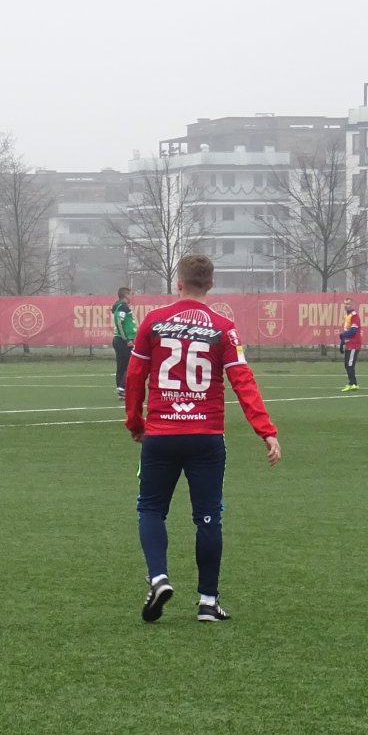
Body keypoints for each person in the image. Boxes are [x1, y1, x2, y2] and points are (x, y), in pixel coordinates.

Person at [124, 254, 280, 623]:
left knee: (151, 509)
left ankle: (159, 577)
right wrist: (266, 430)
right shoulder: (224, 328)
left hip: (161, 434)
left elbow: (134, 377)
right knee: (208, 517)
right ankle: (208, 602)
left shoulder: (153, 321)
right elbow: (243, 381)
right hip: (206, 436)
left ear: (178, 282)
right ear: (211, 284)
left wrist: (135, 423)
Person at [111, 288, 136, 399]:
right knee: (131, 364)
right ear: (126, 296)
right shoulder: (123, 307)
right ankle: (122, 388)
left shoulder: (119, 306)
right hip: (123, 340)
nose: (131, 297)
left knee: (122, 366)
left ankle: (121, 391)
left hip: (119, 339)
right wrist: (127, 339)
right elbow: (119, 322)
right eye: (130, 295)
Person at [338, 297, 362, 391]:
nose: (345, 305)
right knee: (347, 364)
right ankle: (352, 383)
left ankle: (353, 384)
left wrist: (343, 335)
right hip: (349, 343)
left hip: (354, 344)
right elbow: (347, 331)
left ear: (352, 305)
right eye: (344, 303)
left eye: (348, 304)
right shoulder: (347, 316)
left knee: (350, 364)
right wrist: (342, 343)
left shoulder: (354, 316)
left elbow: (353, 330)